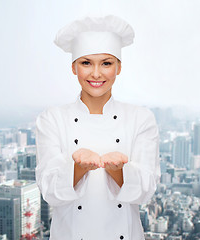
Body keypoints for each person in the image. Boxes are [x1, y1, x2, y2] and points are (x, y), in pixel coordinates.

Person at [35, 15, 160, 240]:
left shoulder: (141, 119)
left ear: (119, 67)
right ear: (74, 67)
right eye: (86, 63)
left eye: (106, 63)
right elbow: (49, 191)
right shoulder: (52, 119)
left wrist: (117, 171)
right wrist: (78, 168)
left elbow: (146, 191)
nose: (96, 73)